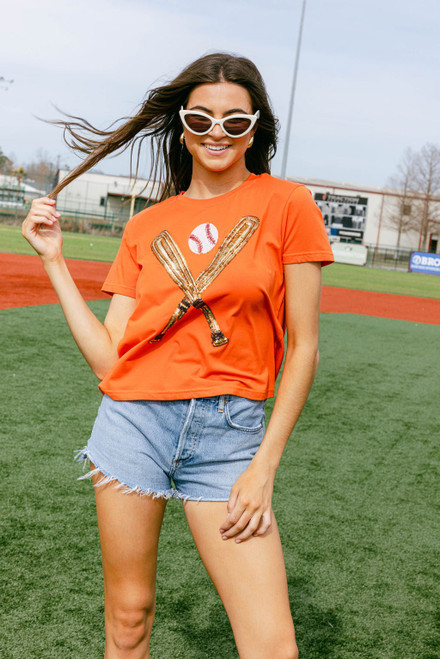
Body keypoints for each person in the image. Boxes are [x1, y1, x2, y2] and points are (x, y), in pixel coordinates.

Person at [22, 52, 334, 659]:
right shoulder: (146, 226)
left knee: (272, 645)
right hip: (132, 425)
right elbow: (112, 363)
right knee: (129, 619)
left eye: (235, 122)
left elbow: (306, 350)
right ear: (184, 128)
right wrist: (54, 260)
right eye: (202, 118)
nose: (217, 132)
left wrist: (264, 465)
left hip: (229, 435)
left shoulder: (288, 204)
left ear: (256, 129)